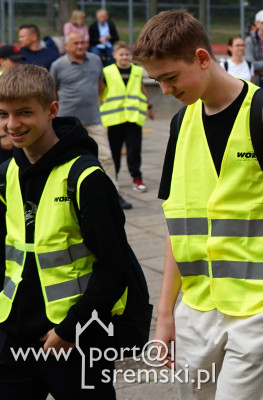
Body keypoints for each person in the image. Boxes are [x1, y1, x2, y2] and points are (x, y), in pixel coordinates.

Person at [135, 9, 263, 399]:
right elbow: (178, 228)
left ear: (203, 58)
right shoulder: (179, 124)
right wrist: (166, 314)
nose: (165, 90)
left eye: (170, 77)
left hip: (258, 309)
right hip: (197, 309)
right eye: (157, 81)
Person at [0, 64, 133, 398]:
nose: (12, 125)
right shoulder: (6, 174)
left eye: (25, 113)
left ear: (52, 110)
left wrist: (71, 329)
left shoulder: (86, 178)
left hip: (76, 338)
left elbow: (115, 267)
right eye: (3, 114)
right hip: (13, 336)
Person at [49, 31, 128, 210]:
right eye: (76, 43)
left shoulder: (95, 60)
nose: (80, 46)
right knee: (64, 159)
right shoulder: (58, 65)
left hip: (93, 119)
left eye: (83, 42)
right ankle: (64, 197)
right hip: (67, 121)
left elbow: (100, 85)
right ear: (67, 46)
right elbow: (53, 91)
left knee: (106, 157)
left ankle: (113, 195)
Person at [100, 41, 154, 193]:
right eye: (121, 54)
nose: (124, 57)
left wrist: (149, 106)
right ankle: (113, 178)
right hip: (114, 118)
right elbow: (101, 91)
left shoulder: (137, 71)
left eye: (126, 54)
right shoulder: (107, 71)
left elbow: (142, 89)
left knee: (134, 150)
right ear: (114, 55)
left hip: (133, 116)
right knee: (114, 151)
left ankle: (137, 179)